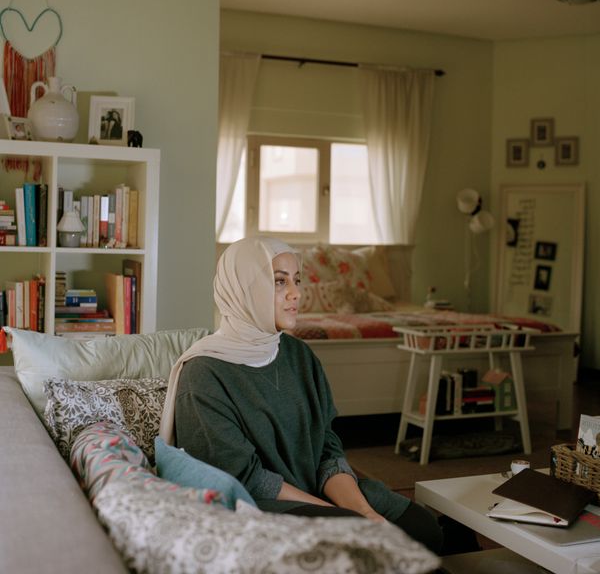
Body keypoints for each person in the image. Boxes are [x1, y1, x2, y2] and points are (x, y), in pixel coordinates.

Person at [160, 237, 448, 553]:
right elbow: (245, 479)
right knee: (365, 545)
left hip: (317, 488)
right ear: (242, 290)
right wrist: (344, 516)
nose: (296, 293)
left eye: (297, 280)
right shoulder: (203, 374)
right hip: (256, 505)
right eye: (279, 281)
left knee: (426, 531)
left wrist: (363, 511)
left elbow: (327, 447)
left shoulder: (299, 355)